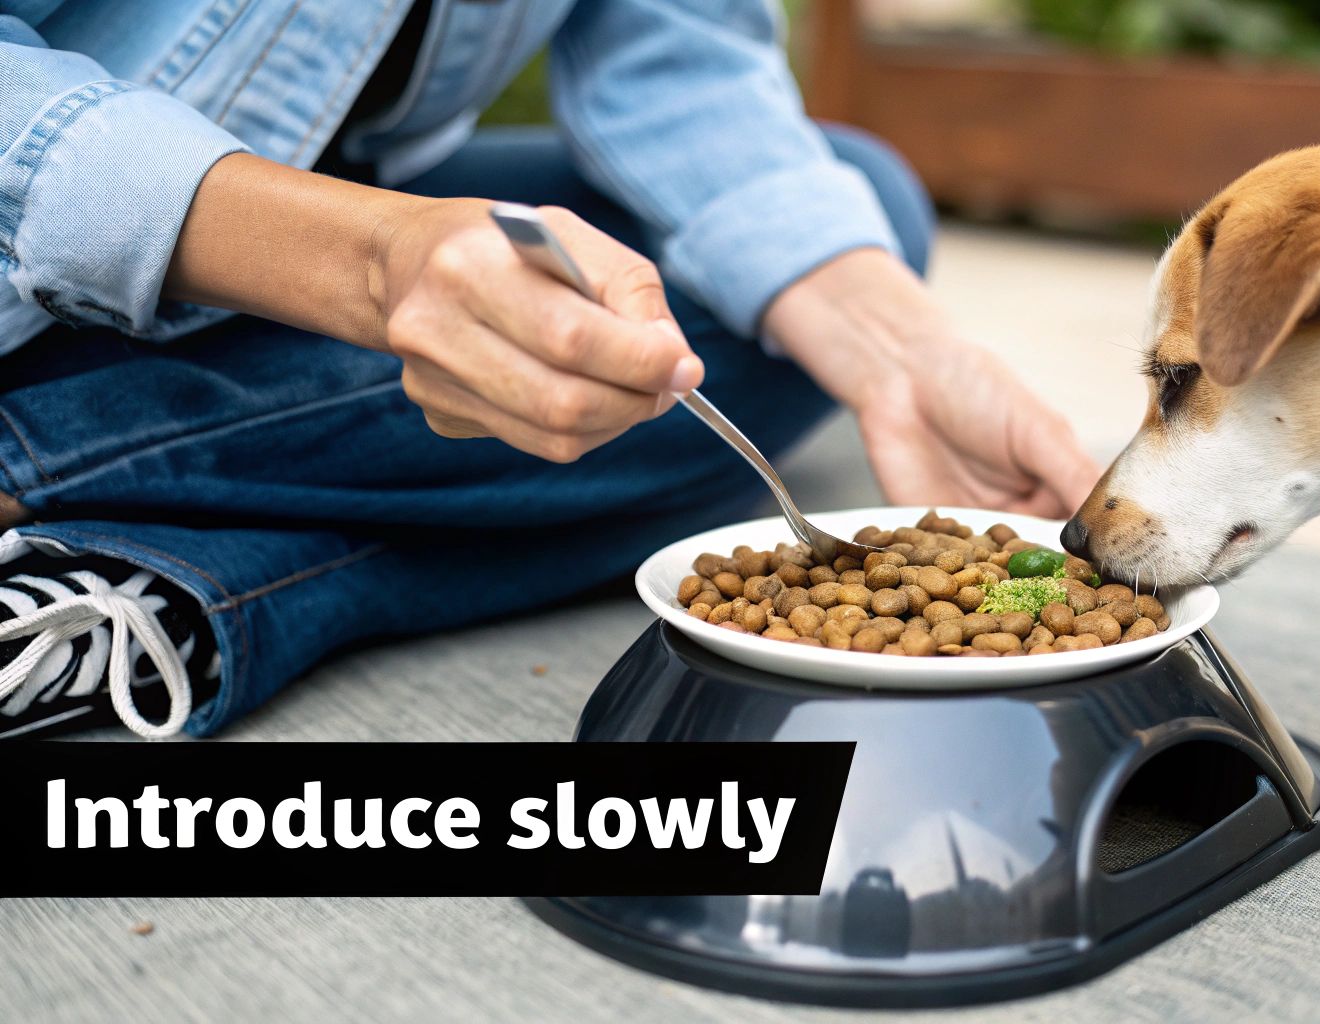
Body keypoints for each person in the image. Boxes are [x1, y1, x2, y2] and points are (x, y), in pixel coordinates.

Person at [0, 0, 1098, 739]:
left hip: (309, 235)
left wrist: (902, 356)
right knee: (594, 403)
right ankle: (161, 569)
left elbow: (672, 49)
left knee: (839, 234)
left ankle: (105, 580)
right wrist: (367, 261)